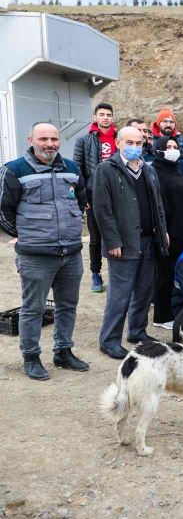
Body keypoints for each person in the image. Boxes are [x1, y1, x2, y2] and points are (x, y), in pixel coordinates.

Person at [0, 122, 89, 380]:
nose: (49, 143)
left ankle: (63, 351)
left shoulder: (72, 169)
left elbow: (81, 200)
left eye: (54, 138)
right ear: (31, 139)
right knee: (33, 308)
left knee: (67, 305)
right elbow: (3, 210)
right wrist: (22, 237)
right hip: (36, 256)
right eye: (43, 139)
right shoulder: (14, 170)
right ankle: (31, 356)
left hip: (70, 253)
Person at [94, 126, 169, 360]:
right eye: (130, 142)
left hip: (148, 239)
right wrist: (112, 240)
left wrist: (162, 231)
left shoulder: (147, 169)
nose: (135, 147)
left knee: (144, 291)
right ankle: (109, 340)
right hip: (123, 243)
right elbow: (102, 210)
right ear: (118, 143)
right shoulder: (106, 169)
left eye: (139, 143)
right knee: (120, 294)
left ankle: (137, 331)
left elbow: (157, 203)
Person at [152, 136, 183, 331]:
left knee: (178, 276)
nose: (172, 149)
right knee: (165, 276)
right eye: (168, 147)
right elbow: (160, 205)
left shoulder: (175, 169)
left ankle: (176, 310)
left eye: (175, 146)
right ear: (158, 150)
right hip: (171, 233)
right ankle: (161, 316)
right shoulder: (156, 172)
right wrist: (165, 232)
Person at [74, 102, 117, 293]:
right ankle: (96, 274)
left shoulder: (120, 138)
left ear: (112, 118)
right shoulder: (83, 140)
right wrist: (83, 198)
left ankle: (115, 274)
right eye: (102, 114)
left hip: (118, 195)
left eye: (108, 114)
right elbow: (78, 170)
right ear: (95, 117)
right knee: (95, 238)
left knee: (118, 235)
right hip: (93, 196)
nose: (105, 117)